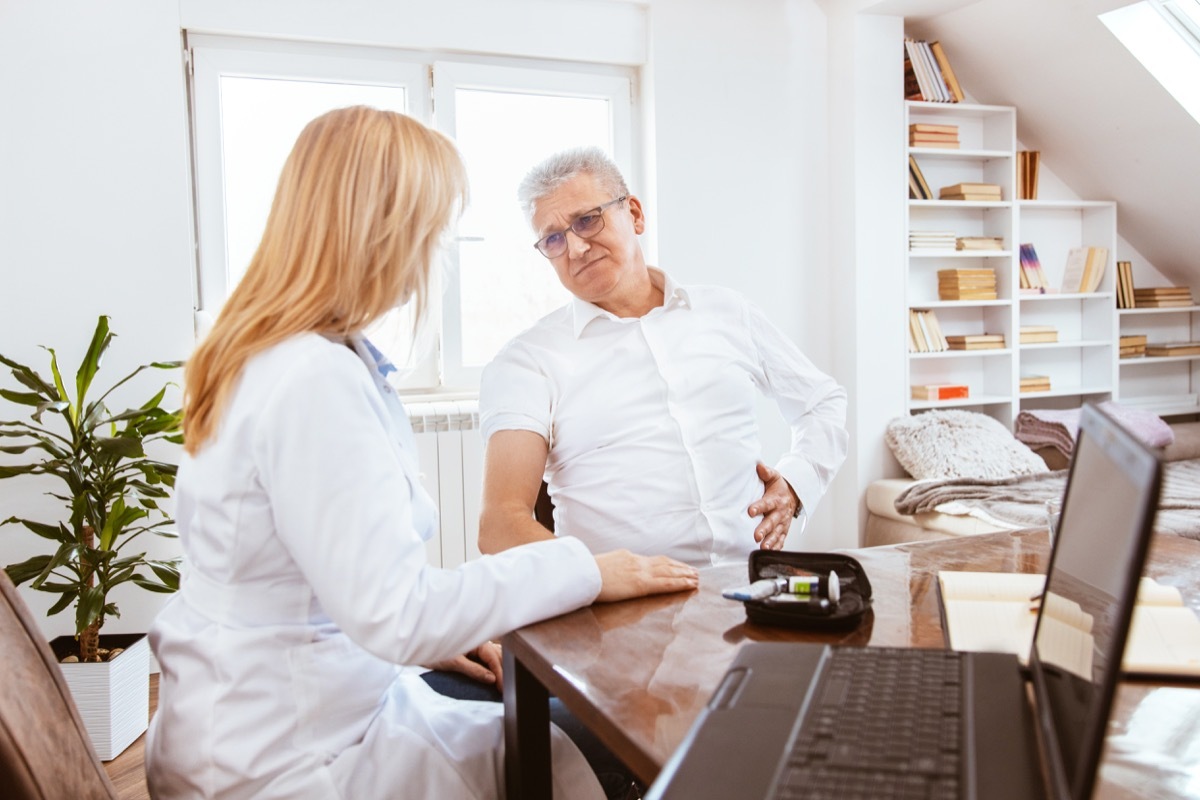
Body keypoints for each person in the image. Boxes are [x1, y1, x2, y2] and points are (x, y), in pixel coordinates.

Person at [145, 107, 698, 800]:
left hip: (269, 711)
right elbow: (397, 613)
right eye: (431, 228)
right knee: (567, 760)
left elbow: (325, 580)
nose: (435, 251)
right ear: (379, 231)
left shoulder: (272, 356)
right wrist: (585, 568)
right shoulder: (311, 378)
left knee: (552, 753)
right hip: (287, 758)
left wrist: (427, 631)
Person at [478, 147, 847, 567]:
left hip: (752, 584)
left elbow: (822, 403)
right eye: (554, 238)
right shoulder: (528, 361)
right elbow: (500, 526)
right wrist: (606, 579)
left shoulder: (727, 312)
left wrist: (796, 484)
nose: (576, 248)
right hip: (621, 609)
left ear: (634, 213)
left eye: (587, 219)